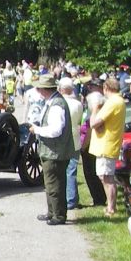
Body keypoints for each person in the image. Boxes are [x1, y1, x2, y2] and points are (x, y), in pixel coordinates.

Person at [27, 74, 76, 225]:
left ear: (44, 89)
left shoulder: (56, 105)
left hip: (55, 152)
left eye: (39, 88)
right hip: (51, 150)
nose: (37, 90)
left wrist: (37, 130)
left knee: (55, 185)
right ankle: (52, 212)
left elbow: (55, 130)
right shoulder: (52, 101)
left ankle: (59, 215)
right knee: (50, 184)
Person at [88, 77, 125, 217]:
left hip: (106, 144)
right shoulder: (119, 101)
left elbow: (94, 123)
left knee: (107, 177)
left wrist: (95, 109)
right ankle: (111, 206)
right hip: (108, 143)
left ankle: (111, 207)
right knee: (105, 176)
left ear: (106, 88)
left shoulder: (113, 102)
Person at [79, 77, 107, 206]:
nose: (90, 88)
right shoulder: (93, 105)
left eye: (93, 86)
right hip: (91, 144)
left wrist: (83, 146)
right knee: (92, 173)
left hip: (91, 145)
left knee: (92, 173)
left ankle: (99, 199)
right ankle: (99, 198)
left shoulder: (98, 106)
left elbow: (91, 128)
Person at [58, 77, 84, 210]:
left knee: (65, 171)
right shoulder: (78, 104)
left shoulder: (59, 104)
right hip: (75, 138)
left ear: (61, 89)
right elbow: (79, 121)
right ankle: (73, 198)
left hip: (63, 140)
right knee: (72, 170)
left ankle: (70, 200)